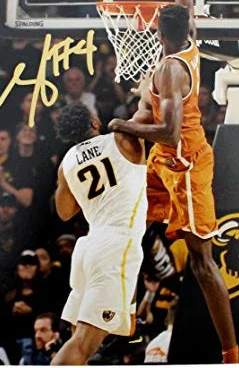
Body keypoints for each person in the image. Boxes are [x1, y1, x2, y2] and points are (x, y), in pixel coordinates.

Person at [108, 0, 239, 363]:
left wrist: (123, 123)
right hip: (166, 160)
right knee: (125, 224)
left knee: (202, 262)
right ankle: (127, 315)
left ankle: (231, 351)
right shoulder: (189, 37)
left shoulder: (168, 69)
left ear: (158, 32)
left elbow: (166, 132)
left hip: (184, 161)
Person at [51, 102, 148, 365]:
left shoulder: (66, 163)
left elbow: (64, 212)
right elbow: (148, 111)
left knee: (95, 335)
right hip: (116, 245)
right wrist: (143, 91)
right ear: (94, 122)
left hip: (89, 246)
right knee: (82, 344)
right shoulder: (122, 140)